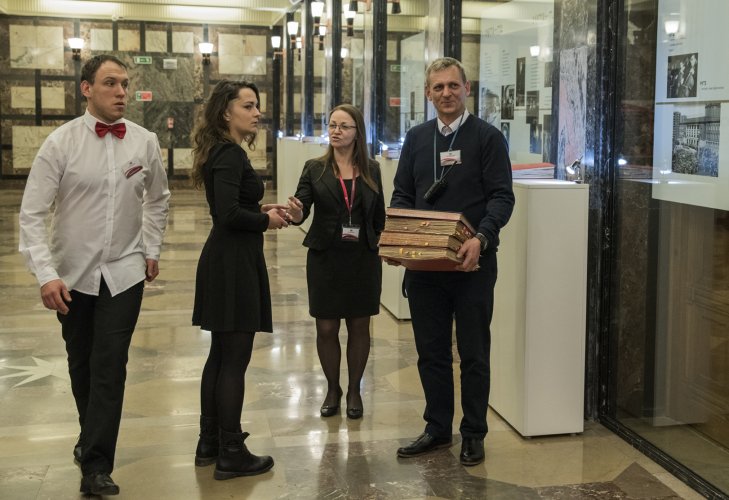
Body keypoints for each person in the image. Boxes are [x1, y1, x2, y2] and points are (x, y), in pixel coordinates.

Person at [18, 54, 170, 496]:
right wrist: (46, 275)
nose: (121, 92)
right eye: (110, 83)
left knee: (109, 364)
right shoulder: (60, 143)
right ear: (86, 89)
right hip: (72, 276)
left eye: (125, 84)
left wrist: (151, 247)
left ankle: (97, 464)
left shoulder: (143, 141)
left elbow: (158, 198)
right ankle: (90, 438)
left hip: (125, 271)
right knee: (81, 362)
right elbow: (32, 214)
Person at [389, 57, 514, 466]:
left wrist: (482, 237)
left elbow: (502, 197)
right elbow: (402, 194)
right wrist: (399, 239)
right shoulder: (416, 138)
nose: (446, 93)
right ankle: (438, 428)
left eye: (453, 86)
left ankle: (474, 433)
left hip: (471, 265)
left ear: (467, 89)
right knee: (431, 352)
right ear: (428, 93)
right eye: (438, 87)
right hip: (425, 269)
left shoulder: (488, 138)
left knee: (474, 354)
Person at [191, 80, 288, 480]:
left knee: (220, 355)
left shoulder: (222, 151)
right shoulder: (229, 154)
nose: (257, 112)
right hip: (233, 263)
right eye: (248, 106)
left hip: (228, 258)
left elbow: (230, 207)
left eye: (257, 105)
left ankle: (210, 442)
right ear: (226, 111)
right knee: (233, 359)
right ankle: (231, 451)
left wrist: (259, 209)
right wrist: (267, 221)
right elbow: (228, 215)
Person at [286, 104, 386, 420]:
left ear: (357, 132)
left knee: (359, 325)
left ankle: (354, 389)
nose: (336, 131)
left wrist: (388, 245)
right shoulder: (314, 168)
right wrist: (296, 213)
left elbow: (379, 216)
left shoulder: (372, 169)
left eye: (343, 126)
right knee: (326, 326)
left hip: (363, 257)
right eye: (332, 125)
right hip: (325, 256)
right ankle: (333, 388)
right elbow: (301, 208)